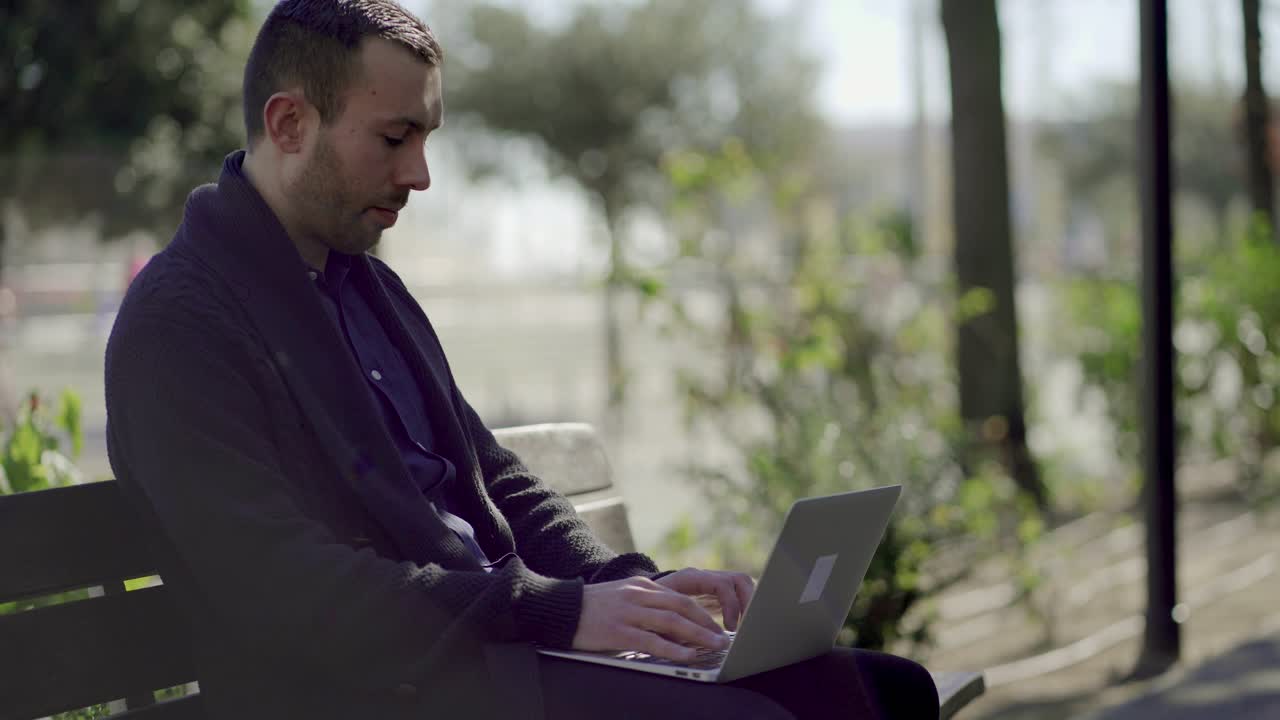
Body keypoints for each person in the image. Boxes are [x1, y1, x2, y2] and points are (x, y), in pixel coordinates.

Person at [103, 2, 940, 718]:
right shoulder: (181, 323)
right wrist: (559, 613)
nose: (420, 175)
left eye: (426, 138)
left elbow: (494, 479)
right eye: (394, 138)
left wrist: (632, 591)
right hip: (384, 691)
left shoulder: (367, 287)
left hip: (499, 663)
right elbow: (283, 588)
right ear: (289, 124)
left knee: (888, 690)